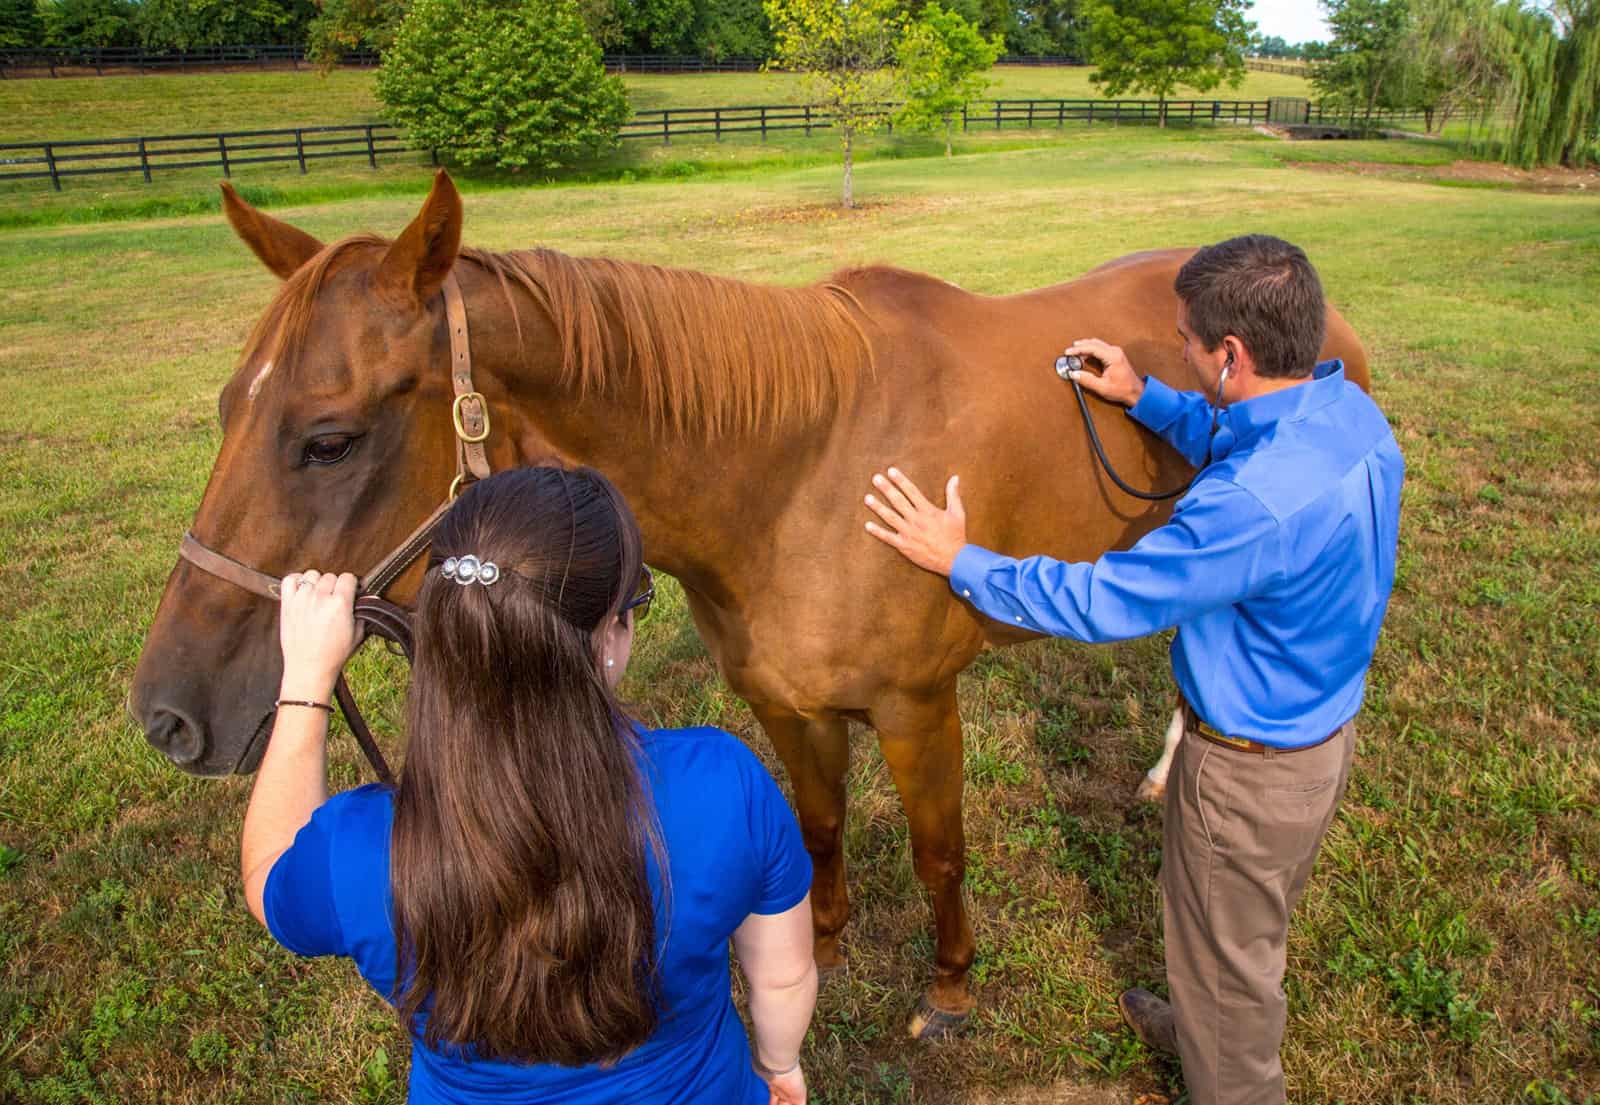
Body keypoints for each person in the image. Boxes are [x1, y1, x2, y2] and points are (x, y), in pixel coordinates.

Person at [858, 234, 1403, 1105]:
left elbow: (1104, 602)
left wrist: (961, 560)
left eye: (1187, 344)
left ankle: (1226, 1065)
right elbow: (1239, 437)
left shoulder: (1246, 510)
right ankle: (1205, 1016)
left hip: (1246, 773)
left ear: (1232, 355)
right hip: (1319, 738)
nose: (1179, 350)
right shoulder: (1346, 417)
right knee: (1238, 935)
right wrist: (1148, 395)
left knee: (1233, 964)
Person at [240, 466, 817, 1105]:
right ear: (608, 636)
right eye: (635, 604)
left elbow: (269, 876)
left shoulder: (358, 851)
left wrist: (306, 681)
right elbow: (783, 978)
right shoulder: (724, 785)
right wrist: (779, 1066)